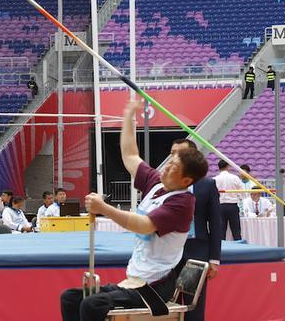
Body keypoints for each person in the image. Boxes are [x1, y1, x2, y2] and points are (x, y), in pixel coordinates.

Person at [60, 100, 208, 321]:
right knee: (70, 298)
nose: (166, 167)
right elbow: (130, 155)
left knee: (92, 305)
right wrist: (128, 116)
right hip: (135, 280)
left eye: (174, 167)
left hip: (154, 287)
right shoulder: (156, 183)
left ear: (186, 180)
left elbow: (144, 225)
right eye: (169, 161)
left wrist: (104, 208)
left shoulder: (183, 202)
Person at [170, 138, 222, 321]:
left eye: (179, 154)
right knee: (168, 304)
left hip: (196, 253)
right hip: (168, 253)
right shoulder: (164, 184)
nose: (174, 157)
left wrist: (214, 258)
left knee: (194, 306)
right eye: (172, 153)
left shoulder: (207, 185)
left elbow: (215, 223)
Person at [213, 159, 244, 241]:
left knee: (221, 232)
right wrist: (240, 197)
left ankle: (221, 248)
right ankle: (239, 247)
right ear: (228, 166)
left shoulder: (215, 179)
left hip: (220, 206)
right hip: (232, 206)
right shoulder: (235, 178)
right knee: (236, 231)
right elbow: (242, 191)